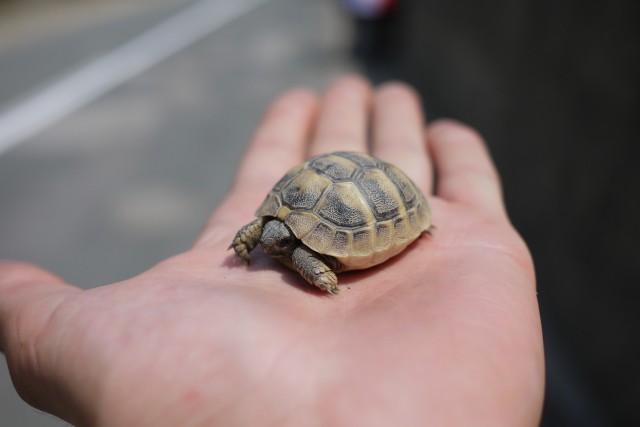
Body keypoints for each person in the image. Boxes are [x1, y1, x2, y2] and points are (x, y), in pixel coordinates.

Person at [0, 76, 544, 426]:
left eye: (273, 240)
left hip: (375, 195)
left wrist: (315, 269)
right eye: (268, 237)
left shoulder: (301, 253)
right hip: (310, 190)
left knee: (309, 256)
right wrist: (250, 236)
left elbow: (298, 251)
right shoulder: (269, 230)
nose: (266, 242)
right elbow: (261, 228)